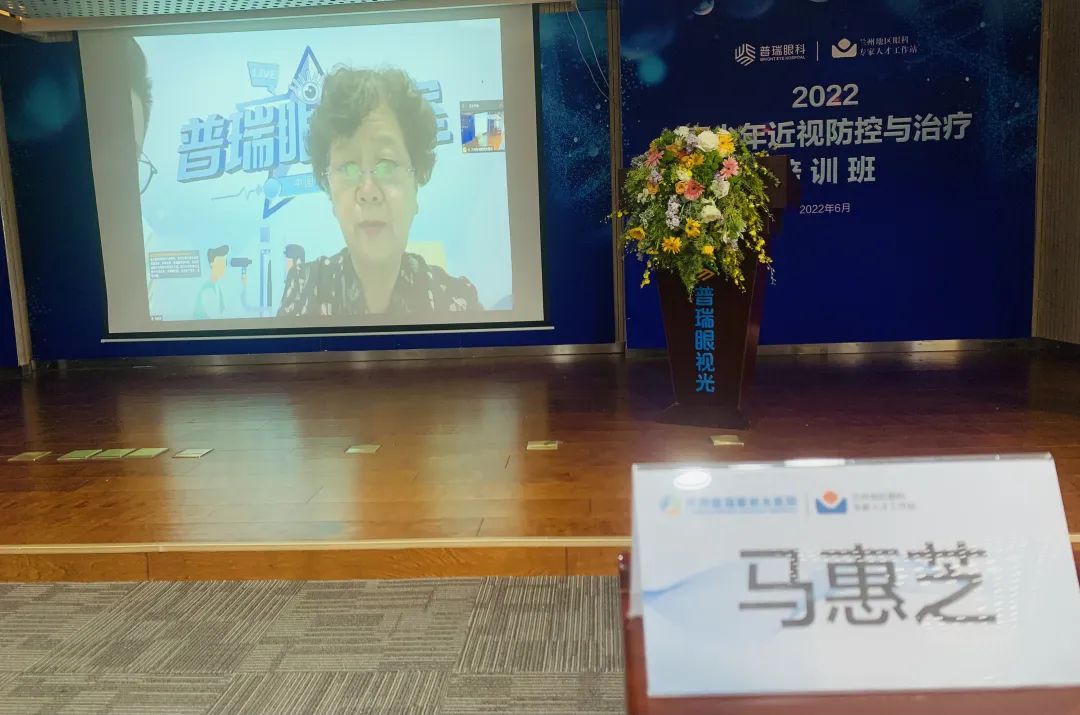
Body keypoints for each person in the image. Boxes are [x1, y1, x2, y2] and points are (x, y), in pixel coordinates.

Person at [277, 68, 480, 318]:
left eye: (387, 164)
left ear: (415, 184)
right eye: (348, 167)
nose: (368, 192)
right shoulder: (305, 289)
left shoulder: (456, 300)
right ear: (330, 192)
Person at [194, 245, 229, 319]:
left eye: (224, 263)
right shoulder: (208, 289)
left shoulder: (216, 285)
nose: (223, 267)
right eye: (220, 263)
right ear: (211, 264)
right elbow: (215, 316)